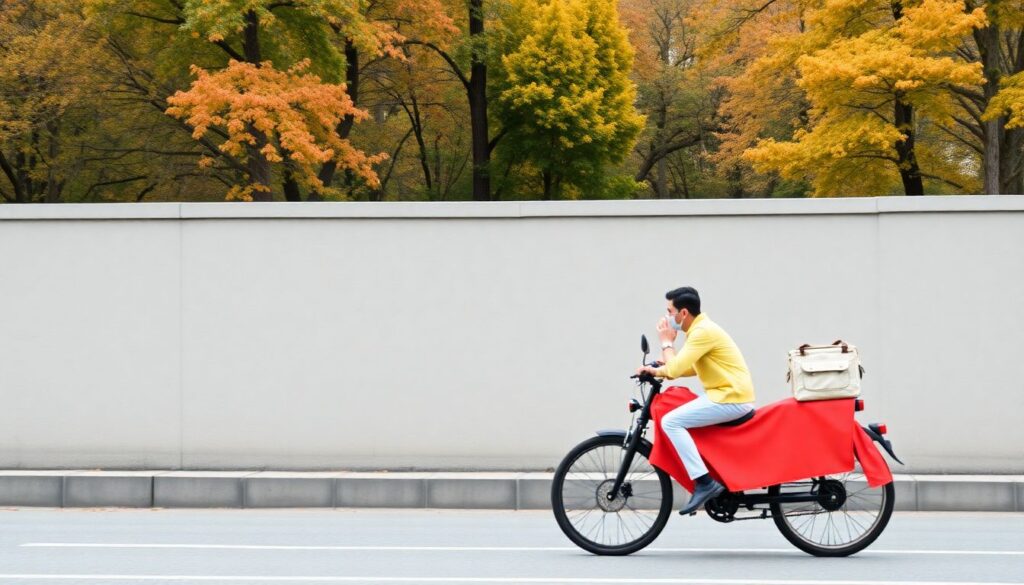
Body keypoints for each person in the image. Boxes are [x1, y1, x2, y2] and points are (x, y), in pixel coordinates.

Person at [635, 286, 756, 515]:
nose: (667, 318)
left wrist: (666, 342)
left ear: (683, 314)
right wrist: (657, 368)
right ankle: (707, 477)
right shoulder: (700, 330)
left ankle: (704, 482)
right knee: (679, 414)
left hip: (731, 398)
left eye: (670, 312)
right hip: (727, 395)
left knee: (671, 422)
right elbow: (688, 367)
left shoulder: (702, 332)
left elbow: (675, 369)